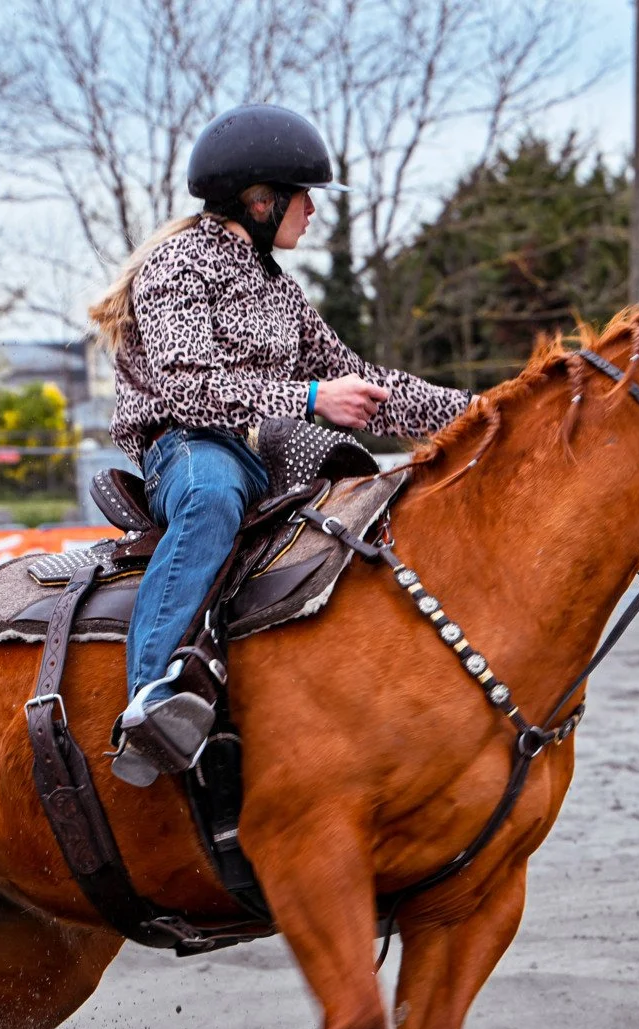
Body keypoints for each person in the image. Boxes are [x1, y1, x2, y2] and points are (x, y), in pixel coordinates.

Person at [88, 103, 472, 786]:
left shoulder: (279, 290)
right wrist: (311, 400)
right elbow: (189, 392)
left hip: (265, 451)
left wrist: (483, 412)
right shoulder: (177, 266)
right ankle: (148, 701)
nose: (313, 213)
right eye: (304, 198)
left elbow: (366, 381)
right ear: (260, 200)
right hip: (189, 448)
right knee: (211, 496)